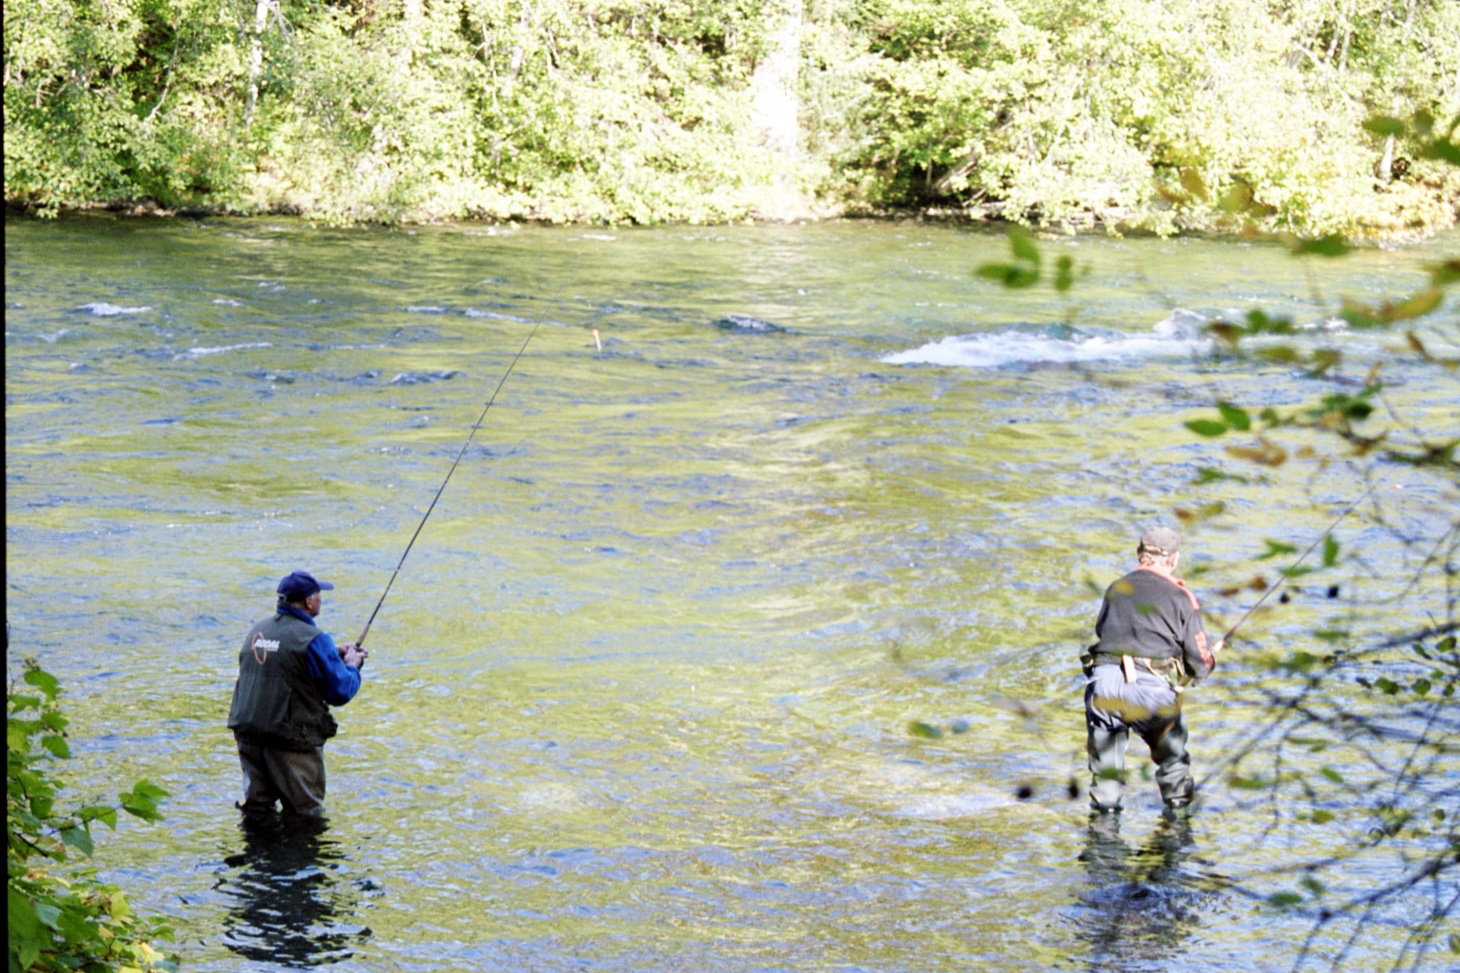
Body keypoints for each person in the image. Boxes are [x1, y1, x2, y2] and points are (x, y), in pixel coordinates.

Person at [1082, 527, 1219, 814]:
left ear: (1139, 554)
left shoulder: (1116, 588)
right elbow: (1199, 661)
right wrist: (1206, 664)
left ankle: (1103, 846)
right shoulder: (1182, 597)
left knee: (1105, 783)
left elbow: (1103, 633)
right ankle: (1175, 837)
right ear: (1174, 560)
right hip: (1150, 692)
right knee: (1173, 766)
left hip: (1104, 686)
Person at [228, 570, 367, 819]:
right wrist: (353, 665)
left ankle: (256, 856)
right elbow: (341, 690)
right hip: (291, 742)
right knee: (306, 817)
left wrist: (331, 654)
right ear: (308, 602)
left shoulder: (258, 632)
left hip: (249, 735)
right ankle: (303, 858)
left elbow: (281, 662)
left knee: (257, 811)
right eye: (318, 595)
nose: (321, 599)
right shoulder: (314, 639)